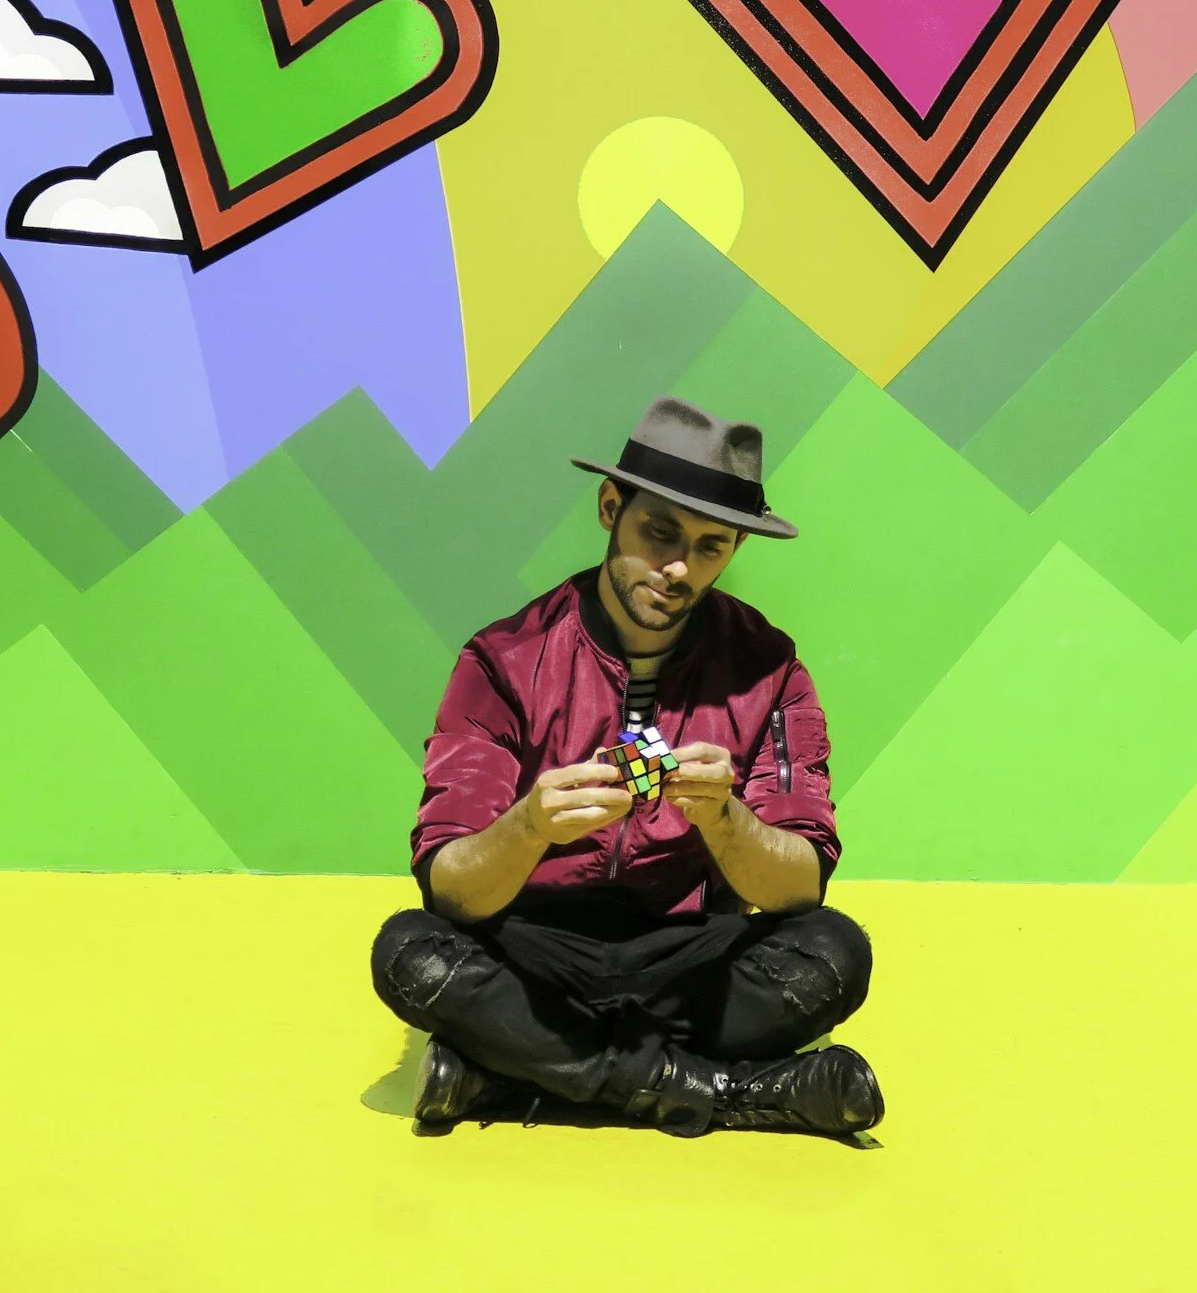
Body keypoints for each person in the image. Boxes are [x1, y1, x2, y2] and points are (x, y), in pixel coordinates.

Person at [369, 396, 883, 1139]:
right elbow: (450, 888)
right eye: (659, 532)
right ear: (611, 506)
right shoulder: (503, 659)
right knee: (408, 951)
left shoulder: (768, 669)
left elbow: (800, 885)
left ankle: (507, 1075)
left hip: (687, 960)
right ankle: (725, 1091)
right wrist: (530, 824)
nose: (677, 567)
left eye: (711, 546)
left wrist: (725, 817)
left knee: (837, 952)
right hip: (531, 954)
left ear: (736, 548)